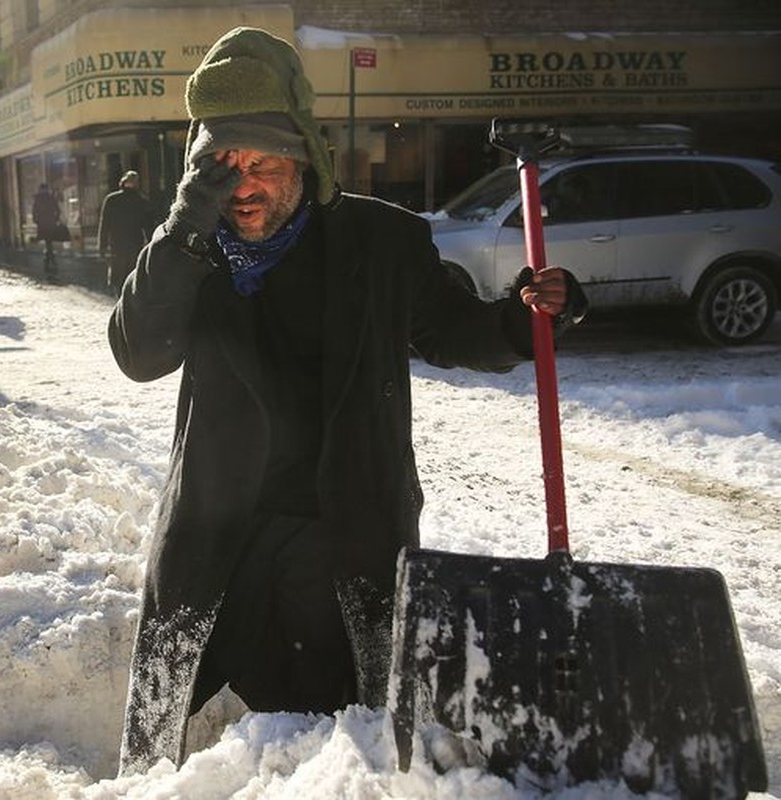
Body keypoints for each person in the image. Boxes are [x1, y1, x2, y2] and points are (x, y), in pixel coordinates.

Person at [107, 26, 588, 777]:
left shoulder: (380, 242)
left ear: (302, 155)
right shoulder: (188, 252)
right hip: (220, 540)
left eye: (261, 163)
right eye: (217, 167)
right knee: (171, 734)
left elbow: (452, 329)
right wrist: (182, 229)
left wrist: (524, 321)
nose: (242, 187)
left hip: (345, 533)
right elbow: (137, 352)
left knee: (354, 742)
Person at [97, 170, 153, 294]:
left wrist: (102, 247)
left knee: (119, 279)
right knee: (133, 278)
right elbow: (148, 227)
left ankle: (121, 304)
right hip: (134, 245)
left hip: (117, 245)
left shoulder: (111, 199)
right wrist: (151, 246)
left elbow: (104, 226)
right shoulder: (141, 201)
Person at [32, 183, 61, 269]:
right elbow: (58, 210)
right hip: (50, 222)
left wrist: (36, 220)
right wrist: (56, 219)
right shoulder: (50, 198)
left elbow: (34, 211)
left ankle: (49, 258)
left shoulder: (38, 199)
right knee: (49, 241)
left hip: (42, 223)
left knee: (48, 241)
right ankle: (50, 258)